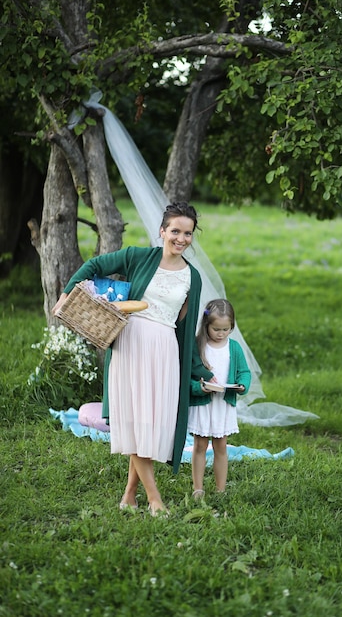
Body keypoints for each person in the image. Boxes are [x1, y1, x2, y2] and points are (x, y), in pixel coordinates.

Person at [52, 202, 212, 516]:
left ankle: (129, 496)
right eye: (175, 231)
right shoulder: (138, 256)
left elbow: (185, 326)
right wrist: (66, 294)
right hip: (130, 343)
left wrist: (197, 371)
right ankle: (155, 500)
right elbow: (95, 265)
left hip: (164, 349)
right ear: (162, 231)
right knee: (135, 423)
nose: (181, 238)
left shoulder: (192, 277)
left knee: (150, 424)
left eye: (188, 233)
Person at [188, 299, 251, 498]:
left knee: (221, 445)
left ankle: (220, 489)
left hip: (223, 405)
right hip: (203, 405)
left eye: (226, 329)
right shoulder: (198, 346)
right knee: (199, 445)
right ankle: (198, 488)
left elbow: (244, 372)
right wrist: (200, 388)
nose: (221, 333)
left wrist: (242, 385)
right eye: (216, 329)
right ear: (206, 325)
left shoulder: (234, 348)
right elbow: (187, 378)